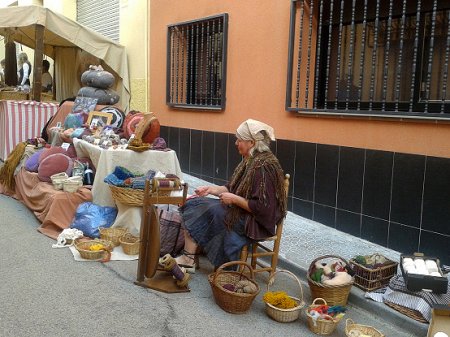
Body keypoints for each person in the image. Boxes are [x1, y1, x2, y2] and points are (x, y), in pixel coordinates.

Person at [175, 119, 287, 272]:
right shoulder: (250, 161)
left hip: (256, 221)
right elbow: (231, 187)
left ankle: (198, 260)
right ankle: (188, 258)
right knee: (198, 203)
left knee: (212, 211)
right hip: (243, 212)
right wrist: (210, 190)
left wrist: (234, 199)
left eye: (239, 140)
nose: (236, 143)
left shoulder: (264, 167)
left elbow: (262, 208)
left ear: (252, 143)